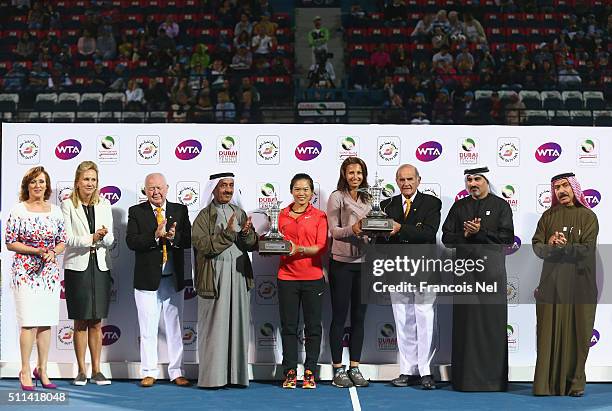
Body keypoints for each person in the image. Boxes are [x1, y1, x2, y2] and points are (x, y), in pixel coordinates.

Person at [441, 166, 514, 391]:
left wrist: (480, 233)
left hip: (491, 274)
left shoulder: (501, 205)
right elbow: (446, 238)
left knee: (492, 324)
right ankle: (465, 380)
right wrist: (465, 234)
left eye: (478, 179)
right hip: (465, 275)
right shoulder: (460, 206)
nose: (473, 183)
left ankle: (494, 381)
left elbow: (507, 238)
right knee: (467, 325)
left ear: (486, 181)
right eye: (469, 179)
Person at [532, 173, 599, 397]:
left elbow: (587, 249)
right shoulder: (548, 216)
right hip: (552, 285)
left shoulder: (588, 216)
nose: (560, 191)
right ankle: (546, 385)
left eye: (564, 186)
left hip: (580, 284)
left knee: (579, 334)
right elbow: (537, 246)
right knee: (547, 334)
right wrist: (550, 244)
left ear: (574, 188)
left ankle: (575, 385)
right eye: (556, 187)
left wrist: (563, 247)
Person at [126, 173, 192, 388]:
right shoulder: (136, 211)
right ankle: (149, 371)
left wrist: (174, 237)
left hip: (172, 279)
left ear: (167, 188)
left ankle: (177, 371)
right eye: (151, 188)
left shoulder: (180, 210)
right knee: (148, 329)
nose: (156, 192)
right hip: (146, 281)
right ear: (145, 190)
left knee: (175, 327)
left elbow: (188, 239)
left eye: (159, 187)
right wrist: (155, 235)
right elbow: (132, 242)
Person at [192, 172, 258, 388]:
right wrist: (229, 233)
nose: (228, 190)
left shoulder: (239, 213)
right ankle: (213, 379)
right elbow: (206, 248)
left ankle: (237, 377)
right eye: (223, 186)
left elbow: (250, 245)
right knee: (215, 328)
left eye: (231, 185)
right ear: (213, 189)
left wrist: (247, 233)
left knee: (237, 326)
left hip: (238, 276)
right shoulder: (203, 217)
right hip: (214, 278)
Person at [380, 164, 441, 390]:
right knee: (402, 319)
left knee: (425, 318)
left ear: (418, 180)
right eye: (401, 179)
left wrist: (398, 229)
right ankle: (407, 369)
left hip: (424, 268)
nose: (406, 183)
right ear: (396, 181)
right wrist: (380, 235)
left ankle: (425, 371)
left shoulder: (432, 203)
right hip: (397, 269)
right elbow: (382, 239)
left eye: (410, 179)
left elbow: (428, 232)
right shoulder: (387, 205)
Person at [5, 166, 66, 391]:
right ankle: (24, 369)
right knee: (29, 323)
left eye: (41, 182)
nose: (38, 186)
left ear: (47, 186)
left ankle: (42, 369)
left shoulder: (56, 211)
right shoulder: (18, 210)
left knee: (45, 322)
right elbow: (10, 242)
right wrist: (37, 251)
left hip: (49, 275)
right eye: (33, 182)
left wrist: (53, 252)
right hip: (24, 273)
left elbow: (62, 241)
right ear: (27, 186)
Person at [61, 161, 114, 386]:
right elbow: (67, 239)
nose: (90, 183)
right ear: (77, 181)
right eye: (86, 179)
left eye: (93, 179)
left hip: (100, 266)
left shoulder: (104, 204)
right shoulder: (67, 205)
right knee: (80, 321)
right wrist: (90, 238)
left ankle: (97, 370)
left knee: (96, 322)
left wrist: (102, 237)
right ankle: (81, 371)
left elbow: (111, 241)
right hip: (77, 268)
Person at [277, 174, 328, 389]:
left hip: (313, 278)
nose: (302, 193)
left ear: (312, 193)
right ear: (291, 191)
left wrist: (297, 250)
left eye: (306, 189)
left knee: (313, 327)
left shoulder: (320, 216)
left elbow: (320, 247)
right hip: (286, 278)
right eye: (297, 189)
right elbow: (276, 244)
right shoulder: (280, 215)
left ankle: (310, 371)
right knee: (288, 327)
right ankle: (289, 371)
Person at [327, 157, 372, 388]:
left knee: (359, 318)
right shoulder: (337, 197)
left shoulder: (369, 198)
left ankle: (355, 366)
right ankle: (337, 369)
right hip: (342, 263)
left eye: (359, 173)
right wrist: (352, 229)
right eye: (351, 172)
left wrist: (377, 233)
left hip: (364, 263)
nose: (355, 177)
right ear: (344, 174)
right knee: (338, 317)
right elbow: (333, 231)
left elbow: (373, 228)